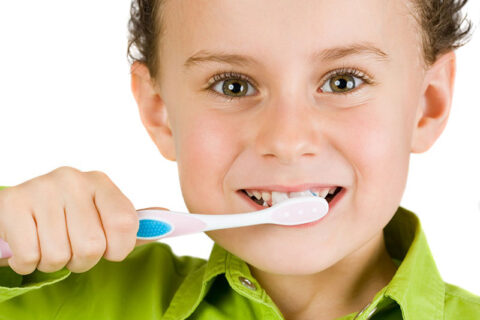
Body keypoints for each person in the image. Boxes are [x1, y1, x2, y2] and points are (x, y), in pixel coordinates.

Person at [0, 0, 478, 319]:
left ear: (428, 103)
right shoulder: (61, 300)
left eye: (343, 82)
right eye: (233, 85)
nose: (288, 141)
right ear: (160, 112)